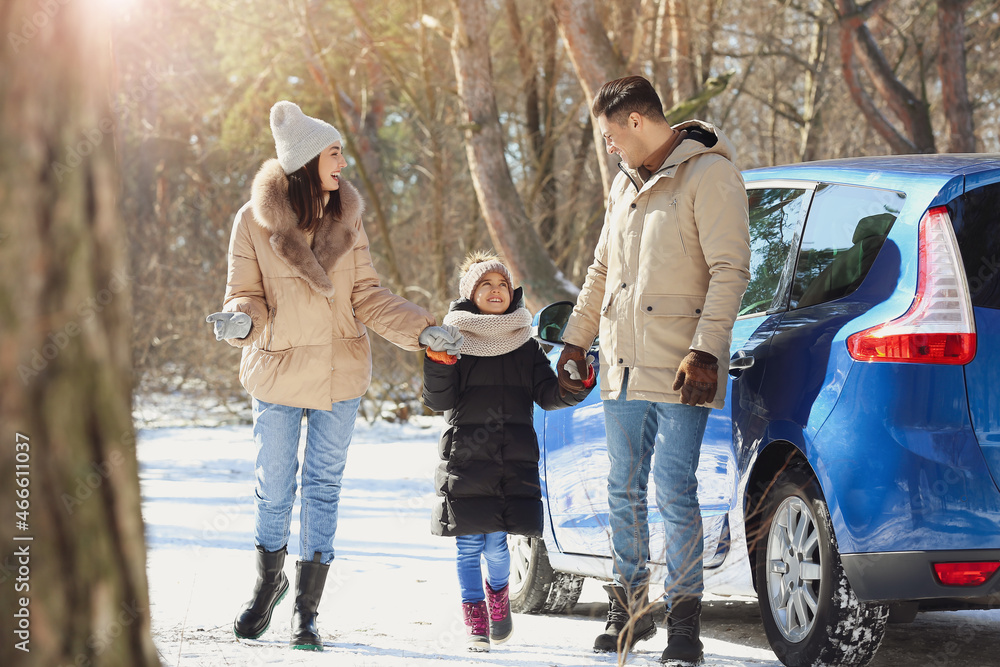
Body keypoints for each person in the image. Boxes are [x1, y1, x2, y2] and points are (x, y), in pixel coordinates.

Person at [206, 101, 463, 651]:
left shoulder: (349, 216)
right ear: (304, 161)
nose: (343, 162)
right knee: (274, 489)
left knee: (323, 489)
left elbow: (367, 296)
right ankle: (267, 584)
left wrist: (423, 330)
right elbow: (246, 295)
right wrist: (238, 322)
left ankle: (306, 610)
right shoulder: (252, 221)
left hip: (339, 375)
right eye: (333, 152)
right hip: (276, 371)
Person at [556, 76, 750, 666]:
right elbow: (598, 271)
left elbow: (730, 269)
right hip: (621, 363)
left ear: (637, 122)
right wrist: (574, 342)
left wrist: (707, 350)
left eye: (612, 134)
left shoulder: (709, 176)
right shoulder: (623, 185)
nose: (609, 146)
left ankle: (684, 621)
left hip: (680, 367)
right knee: (622, 489)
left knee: (674, 488)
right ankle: (630, 612)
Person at [421, 251, 595, 652]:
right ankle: (475, 619)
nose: (496, 290)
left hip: (511, 457)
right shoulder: (454, 339)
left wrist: (574, 384)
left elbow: (548, 395)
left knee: (498, 545)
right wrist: (438, 360)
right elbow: (437, 397)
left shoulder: (525, 343)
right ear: (470, 294)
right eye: (486, 284)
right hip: (466, 456)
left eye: (502, 284)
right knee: (468, 545)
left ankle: (498, 598)